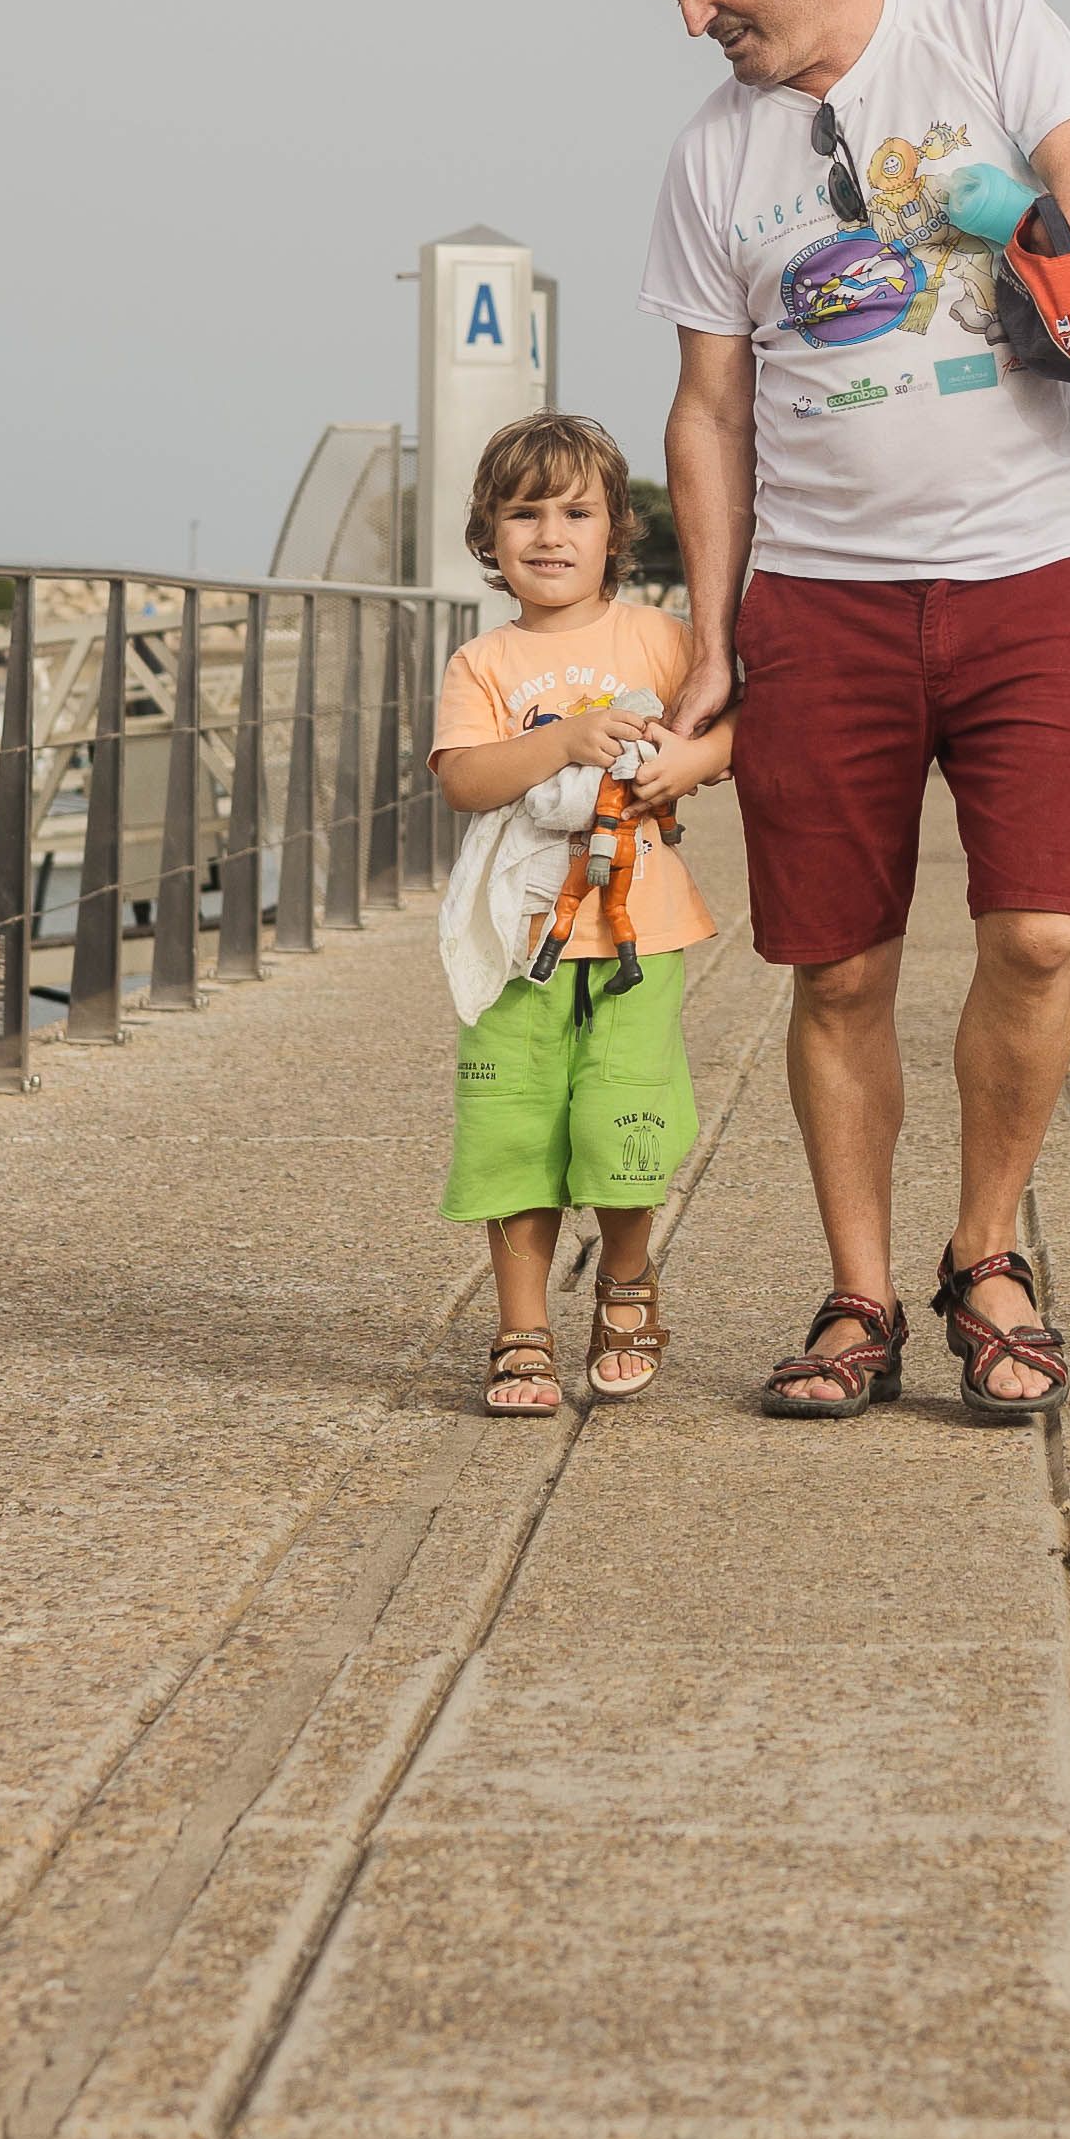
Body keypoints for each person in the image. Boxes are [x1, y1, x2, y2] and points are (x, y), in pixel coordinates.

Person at [629, 0, 1070, 1424]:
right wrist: (714, 642)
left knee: (1039, 932)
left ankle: (987, 1260)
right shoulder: (716, 153)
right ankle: (858, 1295)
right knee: (836, 972)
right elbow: (707, 416)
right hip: (822, 603)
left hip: (1030, 571)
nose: (698, 20)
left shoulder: (990, 29)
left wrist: (1016, 222)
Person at [428, 410, 729, 1416]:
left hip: (645, 925)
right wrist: (566, 742)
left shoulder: (663, 638)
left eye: (576, 511)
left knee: (620, 1114)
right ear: (489, 537)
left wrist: (687, 760)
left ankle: (627, 1285)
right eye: (524, 514)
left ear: (615, 532)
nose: (550, 534)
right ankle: (521, 1329)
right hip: (521, 940)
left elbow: (731, 732)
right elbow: (467, 779)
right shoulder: (484, 664)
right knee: (512, 1122)